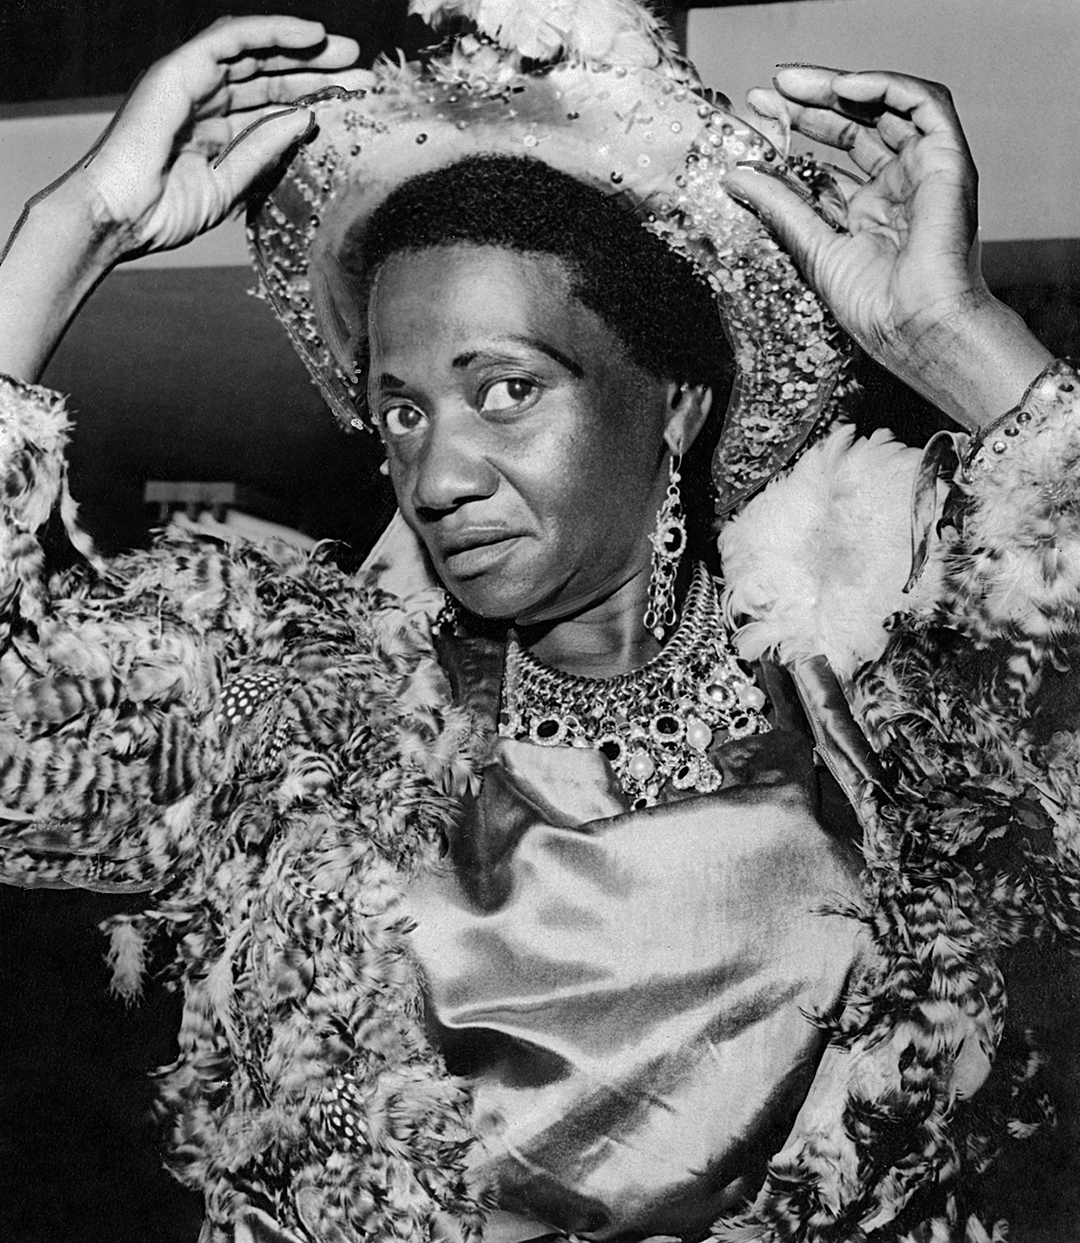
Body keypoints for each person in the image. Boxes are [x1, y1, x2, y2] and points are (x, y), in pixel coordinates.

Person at [0, 2, 1078, 1241]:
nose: (439, 473)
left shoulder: (880, 743)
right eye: (402, 411)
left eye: (506, 389)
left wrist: (955, 338)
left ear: (675, 406)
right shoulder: (299, 725)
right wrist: (69, 233)